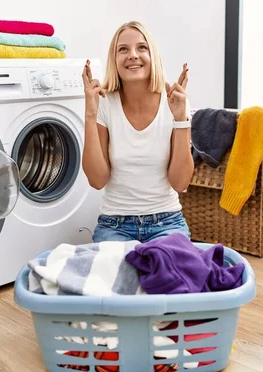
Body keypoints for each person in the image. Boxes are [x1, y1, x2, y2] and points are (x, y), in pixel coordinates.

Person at [81, 21, 194, 243]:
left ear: (153, 56)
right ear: (114, 60)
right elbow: (97, 180)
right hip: (115, 225)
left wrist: (181, 119)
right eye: (123, 49)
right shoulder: (105, 104)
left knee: (168, 273)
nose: (133, 55)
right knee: (119, 274)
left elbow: (180, 183)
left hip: (167, 221)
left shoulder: (173, 102)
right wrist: (90, 115)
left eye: (142, 48)